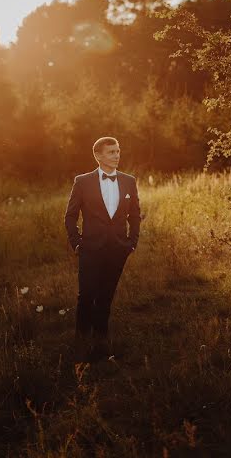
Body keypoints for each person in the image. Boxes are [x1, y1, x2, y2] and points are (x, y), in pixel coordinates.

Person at [64, 137, 141, 360]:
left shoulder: (129, 181)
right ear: (98, 156)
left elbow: (134, 215)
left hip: (118, 248)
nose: (117, 155)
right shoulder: (82, 181)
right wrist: (77, 242)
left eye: (118, 151)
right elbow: (70, 216)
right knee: (86, 295)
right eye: (111, 152)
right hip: (90, 247)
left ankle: (101, 338)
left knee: (106, 295)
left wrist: (132, 242)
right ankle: (81, 340)